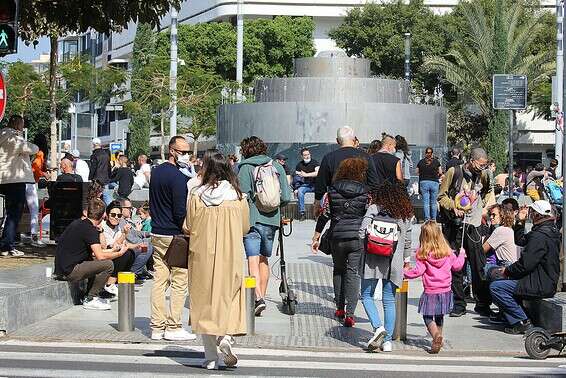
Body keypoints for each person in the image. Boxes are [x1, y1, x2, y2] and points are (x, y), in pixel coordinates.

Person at [183, 152, 250, 370]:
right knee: (229, 296)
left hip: (202, 254)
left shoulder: (196, 194)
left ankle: (211, 358)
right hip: (230, 254)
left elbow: (189, 225)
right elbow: (245, 227)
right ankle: (226, 336)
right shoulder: (238, 196)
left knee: (204, 301)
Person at [312, 158, 370, 327]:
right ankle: (350, 314)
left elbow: (325, 215)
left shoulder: (332, 191)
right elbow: (368, 214)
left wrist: (316, 235)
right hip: (357, 238)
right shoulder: (366, 192)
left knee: (338, 270)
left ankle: (339, 308)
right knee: (353, 273)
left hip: (337, 236)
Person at [437, 147, 495, 318]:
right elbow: (441, 196)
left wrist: (479, 206)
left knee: (479, 265)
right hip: (455, 226)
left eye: (485, 165)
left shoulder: (483, 175)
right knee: (457, 267)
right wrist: (453, 207)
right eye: (480, 164)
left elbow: (486, 190)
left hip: (474, 225)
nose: (482, 168)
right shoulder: (454, 172)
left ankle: (482, 303)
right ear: (471, 160)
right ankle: (459, 304)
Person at [238, 136, 291, 316]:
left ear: (245, 150)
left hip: (251, 220)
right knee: (263, 259)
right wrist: (274, 208)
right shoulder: (276, 167)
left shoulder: (245, 168)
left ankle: (257, 297)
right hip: (271, 220)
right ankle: (261, 296)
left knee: (252, 260)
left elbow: (242, 196)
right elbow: (285, 197)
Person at [149, 136, 195, 341]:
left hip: (157, 232)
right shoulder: (178, 178)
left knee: (159, 280)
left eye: (188, 152)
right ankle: (174, 325)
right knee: (179, 281)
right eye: (183, 151)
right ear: (172, 151)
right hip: (174, 235)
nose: (186, 155)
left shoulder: (156, 172)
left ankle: (157, 327)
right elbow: (179, 212)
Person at [490, 200, 560, 334]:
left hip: (539, 283)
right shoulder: (547, 230)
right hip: (542, 280)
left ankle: (521, 321)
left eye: (532, 213)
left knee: (497, 287)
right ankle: (510, 316)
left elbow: (526, 264)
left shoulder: (540, 236)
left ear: (538, 215)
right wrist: (520, 223)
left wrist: (508, 271)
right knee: (499, 279)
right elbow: (521, 240)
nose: (530, 215)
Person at [359, 181, 413, 352]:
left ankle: (378, 327)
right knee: (389, 301)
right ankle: (387, 341)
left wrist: (367, 246)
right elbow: (408, 241)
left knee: (366, 296)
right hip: (394, 262)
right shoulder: (404, 213)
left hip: (371, 260)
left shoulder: (374, 208)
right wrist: (406, 259)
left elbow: (362, 231)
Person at [404, 221, 466, 354]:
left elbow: (417, 272)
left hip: (430, 291)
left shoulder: (423, 254)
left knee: (427, 317)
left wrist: (405, 272)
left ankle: (436, 336)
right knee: (439, 316)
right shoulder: (448, 252)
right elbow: (457, 267)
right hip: (445, 290)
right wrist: (461, 255)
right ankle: (439, 338)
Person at [53, 199, 126, 310]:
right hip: (69, 271)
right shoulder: (90, 230)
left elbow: (94, 252)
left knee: (96, 262)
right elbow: (100, 256)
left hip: (61, 268)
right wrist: (119, 253)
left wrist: (112, 251)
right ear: (103, 216)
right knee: (108, 265)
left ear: (86, 212)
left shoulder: (78, 223)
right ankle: (91, 298)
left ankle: (91, 294)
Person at [315, 126, 378, 213]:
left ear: (337, 141)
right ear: (354, 139)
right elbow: (374, 183)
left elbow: (321, 184)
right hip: (360, 203)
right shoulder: (366, 157)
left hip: (336, 204)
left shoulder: (329, 158)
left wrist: (317, 202)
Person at [0, 115, 39, 257]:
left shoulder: (1, 135)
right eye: (22, 124)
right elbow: (32, 148)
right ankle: (7, 246)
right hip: (15, 180)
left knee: (2, 214)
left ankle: (6, 243)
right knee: (13, 214)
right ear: (17, 124)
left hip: (2, 179)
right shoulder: (14, 138)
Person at [99, 201, 136, 296]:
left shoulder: (118, 227)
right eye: (113, 214)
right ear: (107, 215)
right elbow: (113, 246)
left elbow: (122, 244)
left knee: (131, 253)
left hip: (113, 253)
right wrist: (124, 234)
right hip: (104, 254)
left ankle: (118, 282)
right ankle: (109, 284)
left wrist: (137, 246)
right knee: (125, 254)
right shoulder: (103, 226)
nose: (116, 217)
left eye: (119, 215)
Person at [25, 133, 49, 248]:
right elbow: (35, 167)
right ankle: (34, 236)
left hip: (23, 181)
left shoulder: (31, 152)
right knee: (34, 209)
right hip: (30, 182)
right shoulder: (40, 153)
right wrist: (44, 173)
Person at [417, 147, 442, 221]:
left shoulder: (421, 162)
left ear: (425, 153)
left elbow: (417, 172)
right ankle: (434, 219)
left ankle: (427, 219)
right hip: (434, 182)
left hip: (424, 182)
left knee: (426, 202)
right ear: (432, 153)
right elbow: (440, 172)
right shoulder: (436, 162)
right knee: (434, 202)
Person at [294, 148, 319, 221]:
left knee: (320, 192)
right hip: (305, 185)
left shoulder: (315, 163)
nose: (307, 156)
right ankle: (302, 213)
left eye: (308, 154)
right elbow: (296, 178)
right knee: (300, 191)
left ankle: (317, 214)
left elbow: (318, 173)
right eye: (305, 155)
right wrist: (296, 188)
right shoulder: (299, 165)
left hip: (316, 185)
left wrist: (306, 175)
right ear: (302, 156)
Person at [88, 138, 112, 204]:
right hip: (106, 178)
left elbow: (93, 168)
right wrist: (109, 176)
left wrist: (90, 178)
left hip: (97, 179)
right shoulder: (106, 154)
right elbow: (109, 166)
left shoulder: (94, 155)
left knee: (96, 196)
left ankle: (112, 208)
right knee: (106, 195)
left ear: (93, 145)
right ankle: (110, 208)